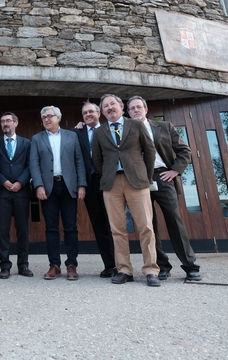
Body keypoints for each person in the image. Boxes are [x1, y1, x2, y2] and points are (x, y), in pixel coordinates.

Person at [126, 96, 201, 281]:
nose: (135, 110)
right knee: (149, 225)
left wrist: (175, 170)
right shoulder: (126, 131)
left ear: (145, 108)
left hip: (163, 177)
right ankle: (162, 266)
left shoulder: (165, 127)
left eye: (138, 107)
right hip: (140, 181)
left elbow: (185, 151)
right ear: (128, 113)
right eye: (132, 108)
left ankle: (190, 266)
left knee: (174, 221)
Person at [92, 94, 161, 287]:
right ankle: (124, 269)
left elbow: (149, 152)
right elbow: (97, 160)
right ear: (102, 111)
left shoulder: (136, 125)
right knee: (117, 229)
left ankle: (151, 270)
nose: (109, 108)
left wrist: (146, 177)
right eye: (105, 106)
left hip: (137, 182)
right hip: (111, 185)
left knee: (145, 226)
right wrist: (107, 175)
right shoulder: (99, 132)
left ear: (121, 106)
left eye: (112, 104)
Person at [30, 106, 87, 281]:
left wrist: (82, 185)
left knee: (71, 227)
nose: (46, 119)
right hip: (48, 188)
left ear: (58, 118)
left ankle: (71, 265)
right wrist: (38, 185)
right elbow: (34, 164)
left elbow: (79, 161)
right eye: (43, 117)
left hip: (68, 186)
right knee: (51, 227)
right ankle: (54, 265)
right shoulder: (37, 138)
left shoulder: (72, 136)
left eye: (49, 116)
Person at [74, 102, 117, 278]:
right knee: (99, 227)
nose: (88, 114)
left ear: (99, 113)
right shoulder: (77, 133)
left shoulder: (110, 130)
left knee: (115, 225)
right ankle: (109, 265)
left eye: (91, 111)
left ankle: (121, 264)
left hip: (111, 183)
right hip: (91, 185)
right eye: (85, 113)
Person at [0, 112, 32, 279]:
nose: (5, 124)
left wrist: (21, 182)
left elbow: (30, 165)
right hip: (2, 193)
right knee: (2, 231)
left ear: (16, 123)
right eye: (2, 121)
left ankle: (23, 265)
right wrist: (3, 182)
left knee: (22, 230)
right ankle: (5, 266)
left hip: (21, 192)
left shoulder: (26, 143)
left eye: (8, 121)